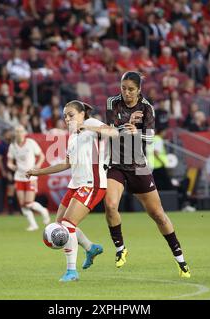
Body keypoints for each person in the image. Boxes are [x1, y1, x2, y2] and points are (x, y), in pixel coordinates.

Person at [104, 71, 191, 278]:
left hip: (139, 165)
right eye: (123, 88)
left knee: (158, 214)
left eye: (131, 89)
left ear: (139, 90)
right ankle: (120, 249)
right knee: (109, 205)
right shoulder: (112, 102)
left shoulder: (147, 107)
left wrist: (137, 132)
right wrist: (125, 127)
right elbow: (110, 128)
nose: (126, 92)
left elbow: (150, 138)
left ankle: (180, 260)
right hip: (116, 164)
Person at [26, 100, 118, 282]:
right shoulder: (73, 136)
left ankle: (71, 272)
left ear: (82, 114)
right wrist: (39, 171)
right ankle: (90, 247)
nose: (67, 119)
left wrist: (89, 128)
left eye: (71, 115)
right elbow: (67, 164)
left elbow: (114, 132)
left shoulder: (91, 123)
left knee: (67, 226)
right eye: (65, 116)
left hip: (92, 184)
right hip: (76, 184)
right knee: (60, 223)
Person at [7, 125, 50, 231]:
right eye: (17, 131)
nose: (19, 133)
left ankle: (44, 211)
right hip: (19, 177)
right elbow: (9, 162)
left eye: (21, 131)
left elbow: (41, 156)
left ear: (24, 133)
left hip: (30, 177)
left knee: (29, 203)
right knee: (22, 204)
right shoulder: (12, 146)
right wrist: (12, 166)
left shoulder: (30, 143)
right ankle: (33, 224)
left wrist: (38, 165)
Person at [0, 128, 16, 214]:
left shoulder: (12, 144)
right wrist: (3, 171)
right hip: (7, 170)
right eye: (8, 133)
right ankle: (8, 209)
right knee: (8, 188)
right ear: (4, 135)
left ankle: (13, 209)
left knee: (14, 188)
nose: (10, 135)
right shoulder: (1, 145)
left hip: (13, 170)